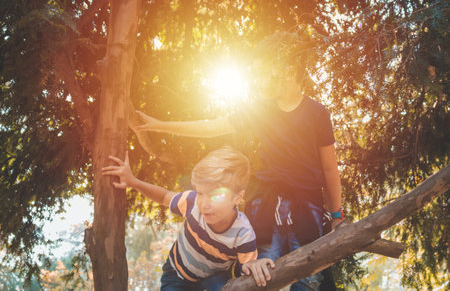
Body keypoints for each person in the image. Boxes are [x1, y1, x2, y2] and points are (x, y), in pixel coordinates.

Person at [134, 31, 343, 290]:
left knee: (310, 282)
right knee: (261, 279)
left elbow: (329, 167)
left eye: (265, 71)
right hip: (265, 212)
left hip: (306, 215)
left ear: (289, 71)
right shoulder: (260, 110)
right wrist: (160, 125)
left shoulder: (318, 113)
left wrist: (336, 215)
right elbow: (213, 126)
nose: (258, 79)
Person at [102, 146, 275, 290]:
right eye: (201, 192)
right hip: (177, 274)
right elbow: (164, 197)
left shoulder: (243, 234)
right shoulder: (191, 203)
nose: (204, 203)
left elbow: (248, 267)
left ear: (237, 197)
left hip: (213, 278)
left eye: (216, 196)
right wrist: (134, 182)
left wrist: (254, 264)